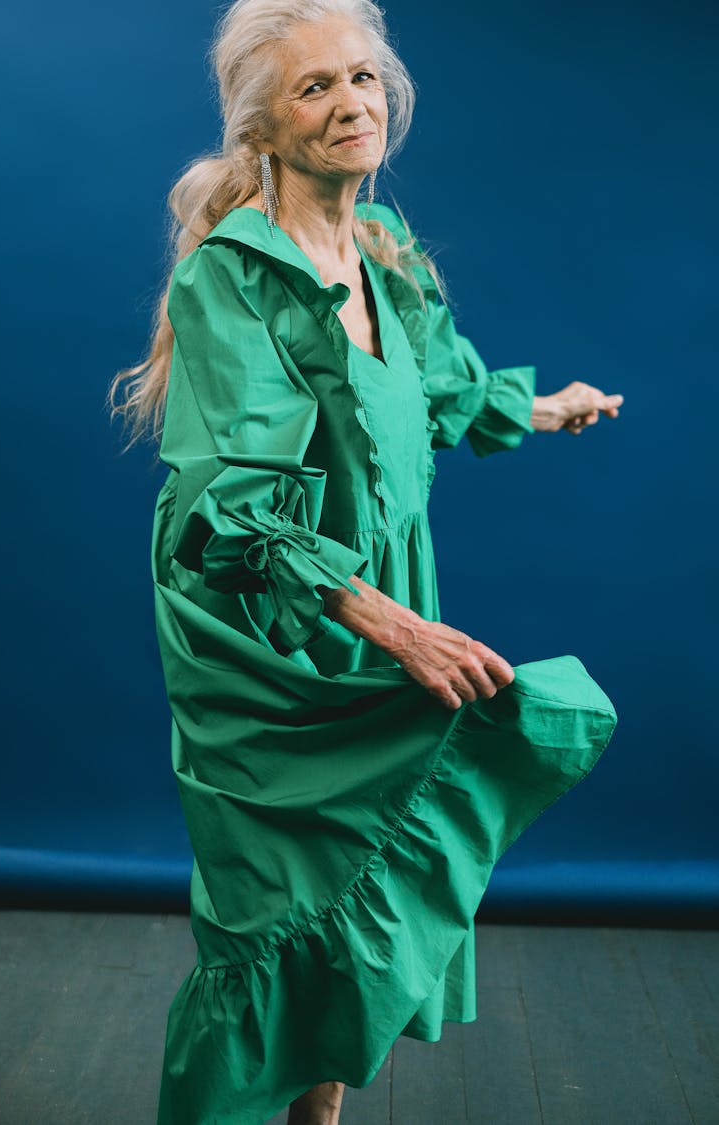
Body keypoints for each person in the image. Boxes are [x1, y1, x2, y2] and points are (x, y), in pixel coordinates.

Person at [109, 0, 622, 1121]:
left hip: (377, 595)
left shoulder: (386, 266)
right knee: (268, 914)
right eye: (313, 88)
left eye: (362, 78)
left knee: (353, 892)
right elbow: (229, 504)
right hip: (273, 625)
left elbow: (428, 396)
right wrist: (394, 625)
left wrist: (535, 410)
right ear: (263, 131)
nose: (351, 103)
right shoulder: (235, 276)